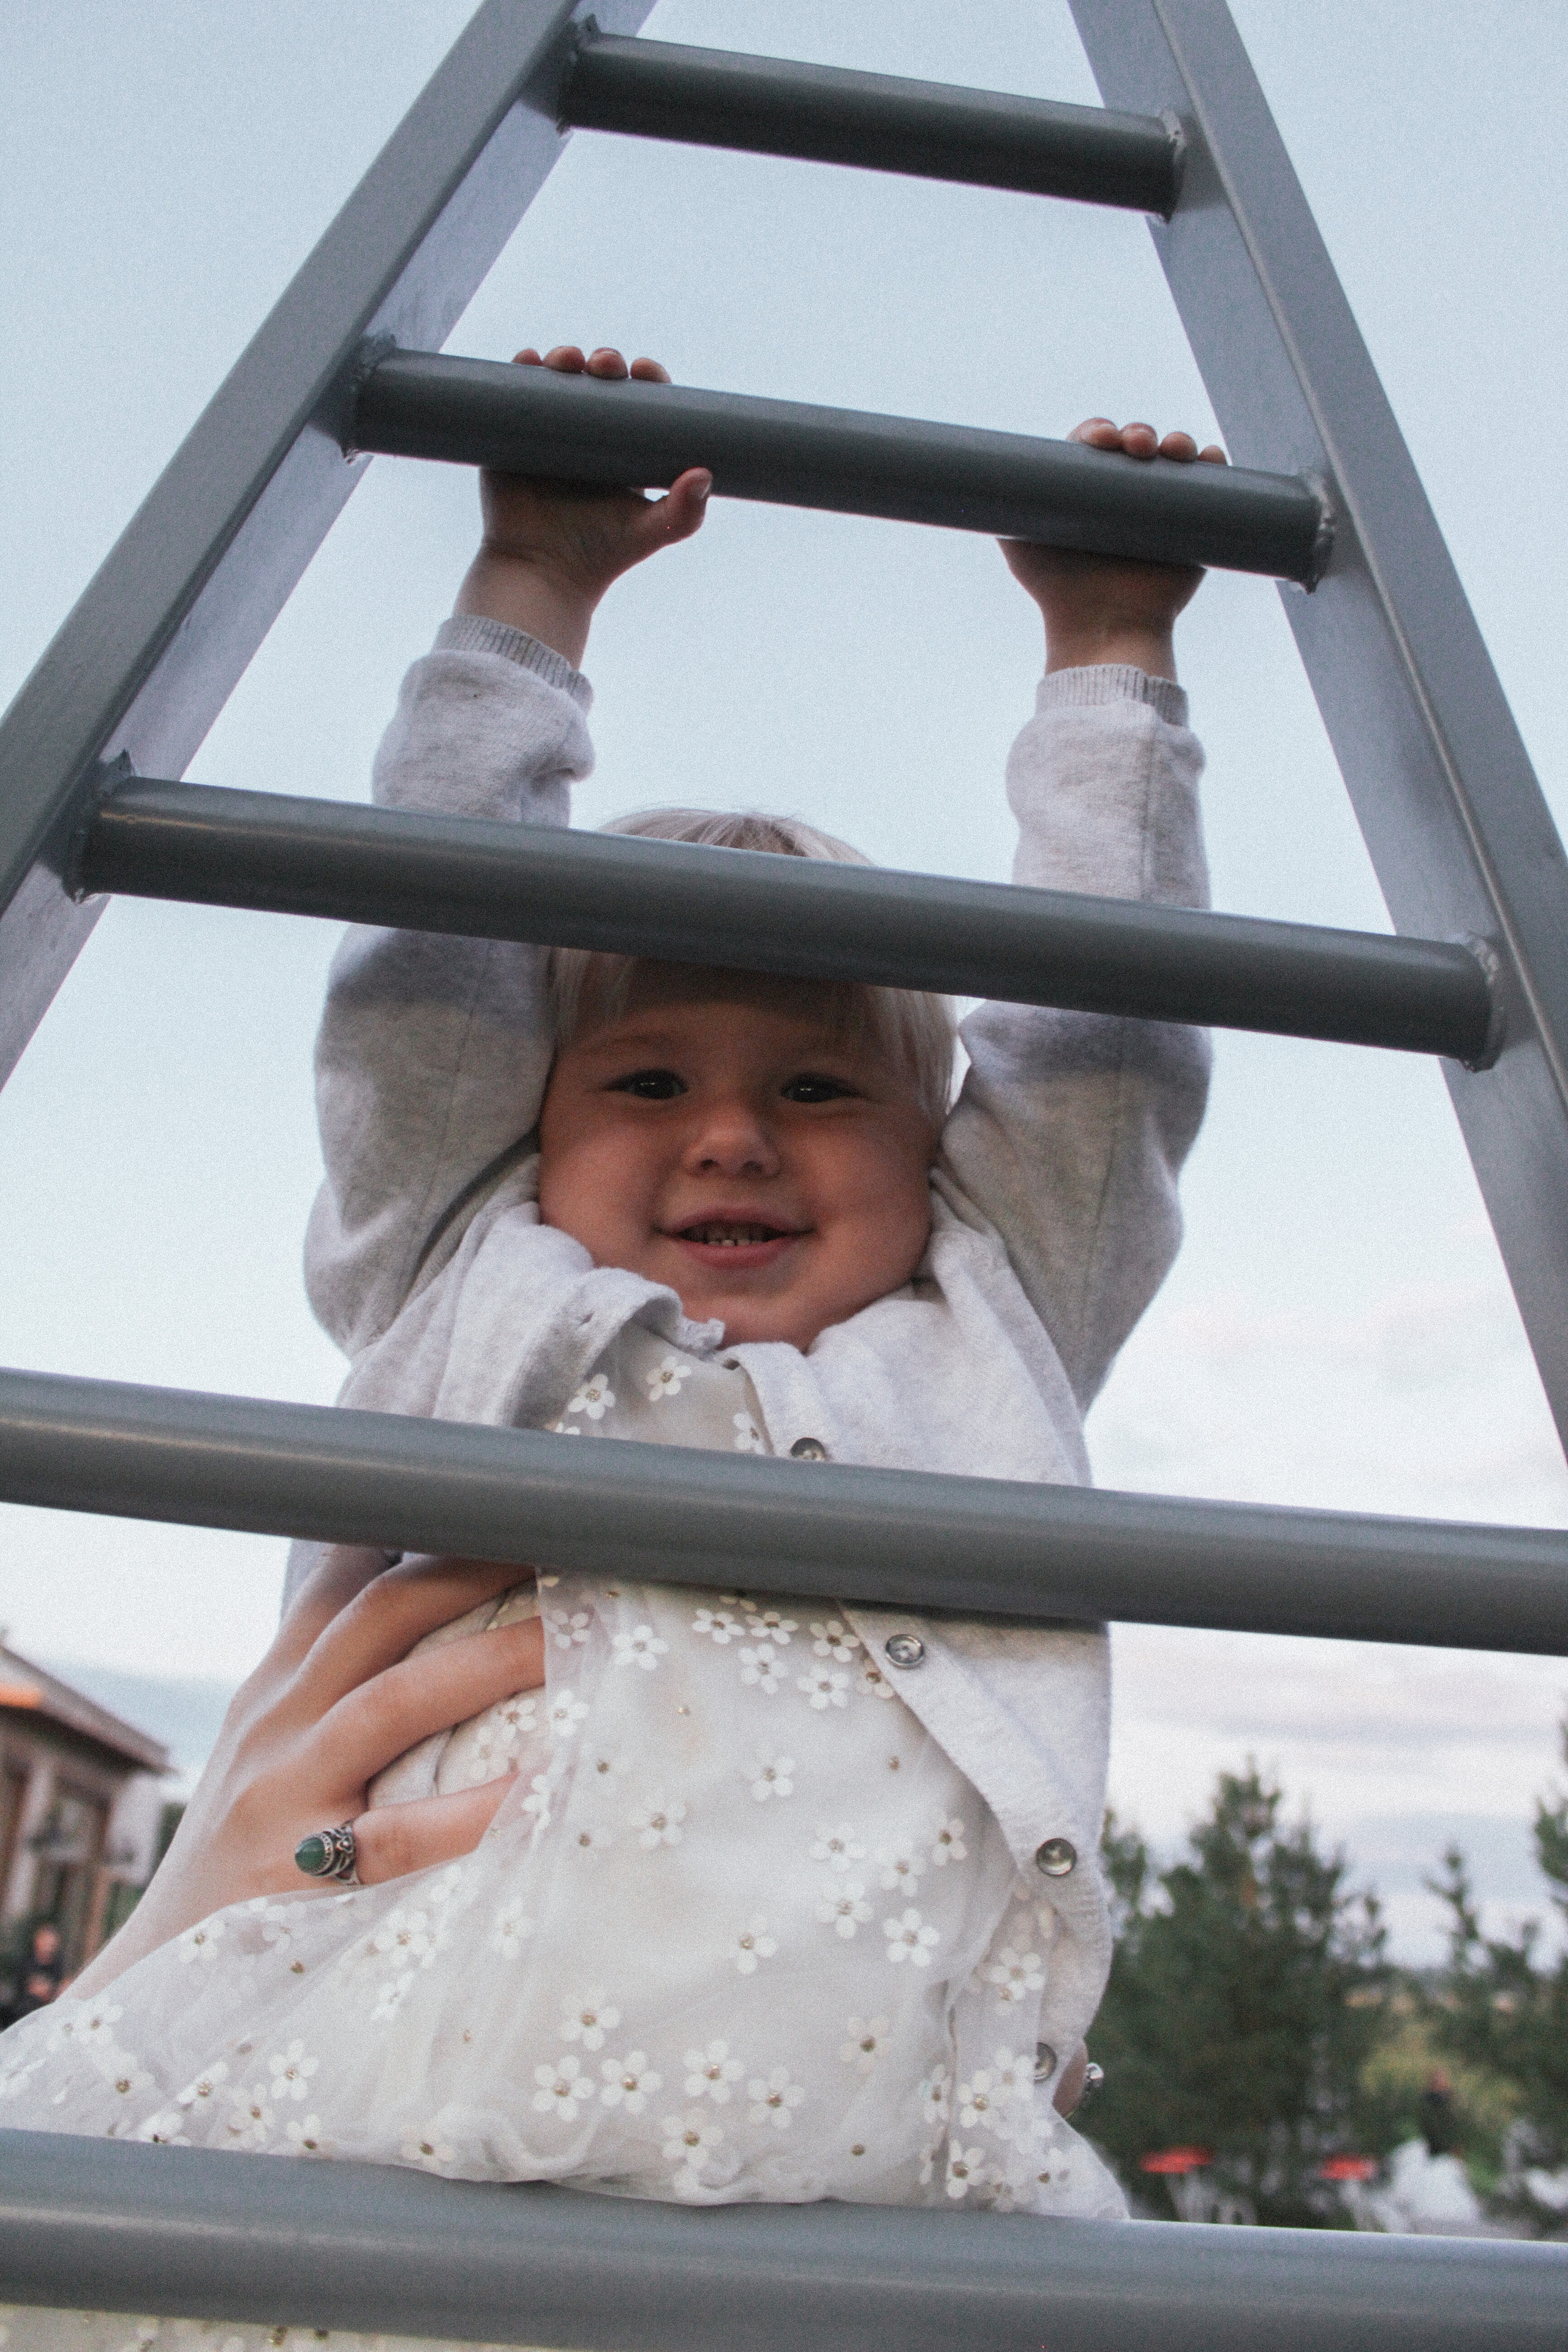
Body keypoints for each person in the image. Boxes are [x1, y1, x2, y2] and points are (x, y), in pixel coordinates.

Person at [0, 344, 1219, 2231]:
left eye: (818, 1088)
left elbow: (1105, 1057)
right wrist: (533, 590)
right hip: (379, 2077)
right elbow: (433, 964)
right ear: (527, 1126)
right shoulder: (469, 1261)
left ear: (942, 1156)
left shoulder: (990, 1326)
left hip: (855, 2156)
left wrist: (1111, 659)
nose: (730, 1138)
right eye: (647, 1082)